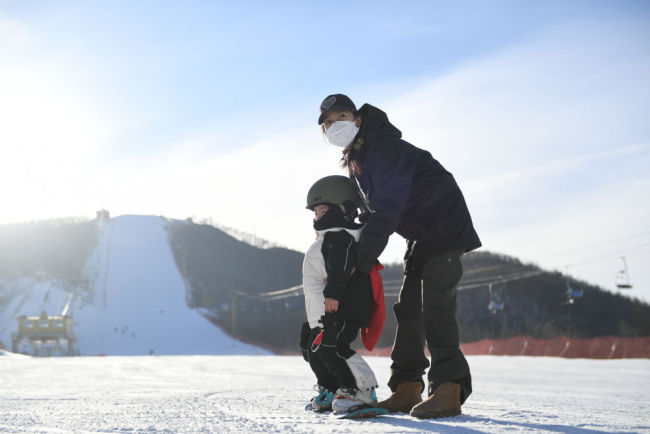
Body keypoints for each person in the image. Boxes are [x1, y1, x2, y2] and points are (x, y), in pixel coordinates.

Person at [316, 94, 482, 419]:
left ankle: (449, 388)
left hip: (444, 226)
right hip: (421, 233)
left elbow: (388, 210)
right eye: (328, 123)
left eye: (341, 116)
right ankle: (407, 388)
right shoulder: (358, 159)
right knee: (408, 310)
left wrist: (360, 263)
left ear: (358, 119)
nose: (335, 125)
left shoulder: (383, 147)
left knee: (435, 307)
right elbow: (372, 215)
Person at [299, 175, 384, 414]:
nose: (317, 217)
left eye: (323, 210)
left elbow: (341, 268)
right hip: (322, 310)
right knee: (314, 350)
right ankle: (334, 388)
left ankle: (362, 391)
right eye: (315, 212)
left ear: (343, 209)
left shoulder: (340, 237)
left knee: (335, 348)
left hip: (340, 306)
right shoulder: (329, 238)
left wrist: (333, 295)